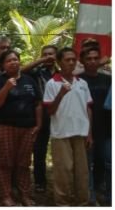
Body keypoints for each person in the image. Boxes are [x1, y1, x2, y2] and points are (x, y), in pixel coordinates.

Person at [0, 49, 41, 207]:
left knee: (24, 163)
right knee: (5, 163)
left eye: (15, 59)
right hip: (5, 126)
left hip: (27, 127)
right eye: (9, 61)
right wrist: (6, 88)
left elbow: (38, 104)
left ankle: (25, 194)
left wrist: (39, 124)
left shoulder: (29, 80)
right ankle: (5, 196)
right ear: (3, 65)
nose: (13, 62)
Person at [44, 46, 92, 206]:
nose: (71, 63)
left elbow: (88, 109)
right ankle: (63, 203)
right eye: (67, 60)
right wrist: (61, 94)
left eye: (73, 60)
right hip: (61, 133)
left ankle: (82, 202)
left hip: (80, 132)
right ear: (59, 62)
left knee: (82, 172)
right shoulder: (52, 83)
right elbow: (49, 110)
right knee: (63, 171)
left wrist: (89, 133)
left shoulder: (82, 83)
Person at [21, 45, 58, 194]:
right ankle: (40, 182)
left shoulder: (62, 73)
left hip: (60, 116)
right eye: (45, 54)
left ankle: (63, 183)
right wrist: (41, 61)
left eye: (51, 55)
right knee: (39, 150)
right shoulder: (36, 72)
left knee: (61, 151)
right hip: (41, 116)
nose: (49, 57)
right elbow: (20, 71)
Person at [78, 45, 110, 203]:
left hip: (106, 129)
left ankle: (100, 189)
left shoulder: (108, 79)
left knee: (104, 161)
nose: (92, 61)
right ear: (82, 61)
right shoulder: (78, 80)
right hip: (85, 129)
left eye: (95, 58)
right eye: (88, 58)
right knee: (87, 164)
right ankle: (89, 196)